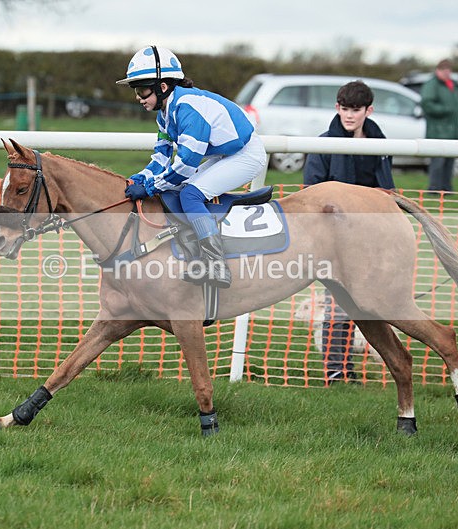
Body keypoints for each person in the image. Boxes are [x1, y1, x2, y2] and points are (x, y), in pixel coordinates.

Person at [118, 45, 267, 289]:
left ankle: (216, 264)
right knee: (179, 190)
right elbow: (161, 157)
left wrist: (150, 187)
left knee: (190, 193)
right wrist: (141, 178)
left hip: (246, 155)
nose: (138, 97)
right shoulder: (165, 113)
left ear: (162, 87)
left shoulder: (187, 108)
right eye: (136, 90)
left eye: (142, 90)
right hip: (227, 153)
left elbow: (185, 165)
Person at [302, 80, 395, 384]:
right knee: (338, 304)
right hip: (334, 241)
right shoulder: (323, 144)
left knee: (371, 304)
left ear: (369, 110)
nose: (349, 115)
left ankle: (358, 365)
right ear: (336, 107)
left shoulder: (381, 145)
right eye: (344, 108)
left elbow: (386, 190)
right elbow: (311, 194)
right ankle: (336, 370)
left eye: (356, 109)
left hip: (372, 236)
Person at [420, 59, 458, 193]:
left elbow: (456, 105)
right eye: (444, 71)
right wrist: (447, 109)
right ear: (437, 70)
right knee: (437, 163)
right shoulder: (431, 85)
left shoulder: (453, 85)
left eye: (449, 71)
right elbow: (427, 104)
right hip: (437, 131)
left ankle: (447, 188)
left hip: (452, 130)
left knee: (450, 163)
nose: (447, 73)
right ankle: (434, 188)